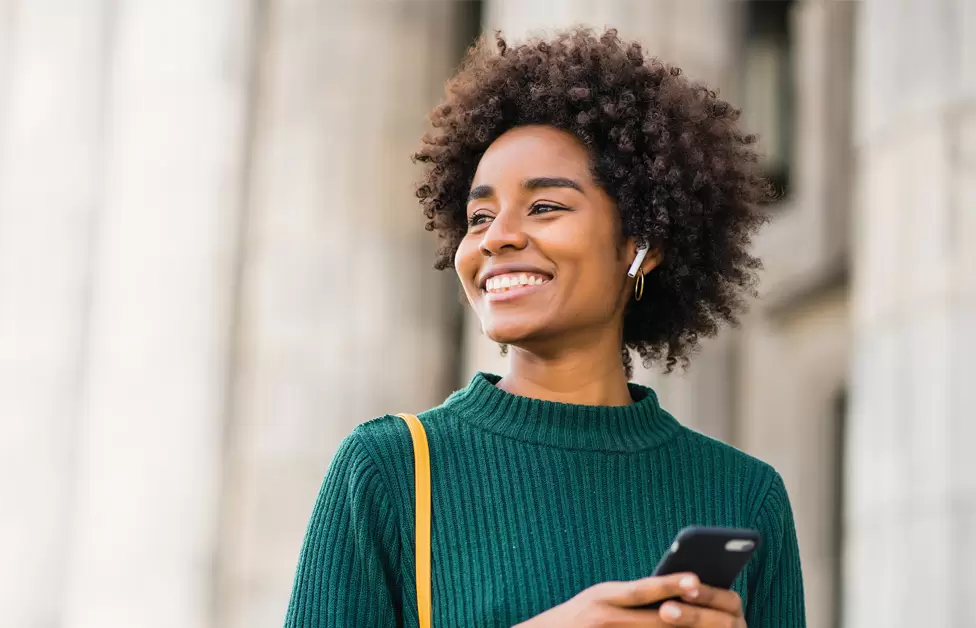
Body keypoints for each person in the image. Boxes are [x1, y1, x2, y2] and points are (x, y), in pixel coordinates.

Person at [284, 27, 805, 628]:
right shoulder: (390, 468)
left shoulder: (742, 493)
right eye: (479, 216)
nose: (497, 236)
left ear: (641, 244)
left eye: (545, 207)